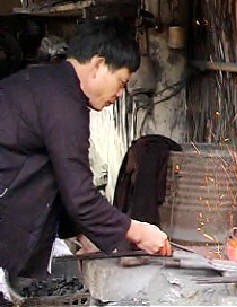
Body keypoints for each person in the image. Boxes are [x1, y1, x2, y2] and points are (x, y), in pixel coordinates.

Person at [0, 18, 172, 288]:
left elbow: (60, 178)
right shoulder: (63, 104)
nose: (120, 93)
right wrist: (137, 231)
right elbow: (80, 196)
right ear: (99, 64)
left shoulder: (48, 85)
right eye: (121, 81)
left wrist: (83, 232)